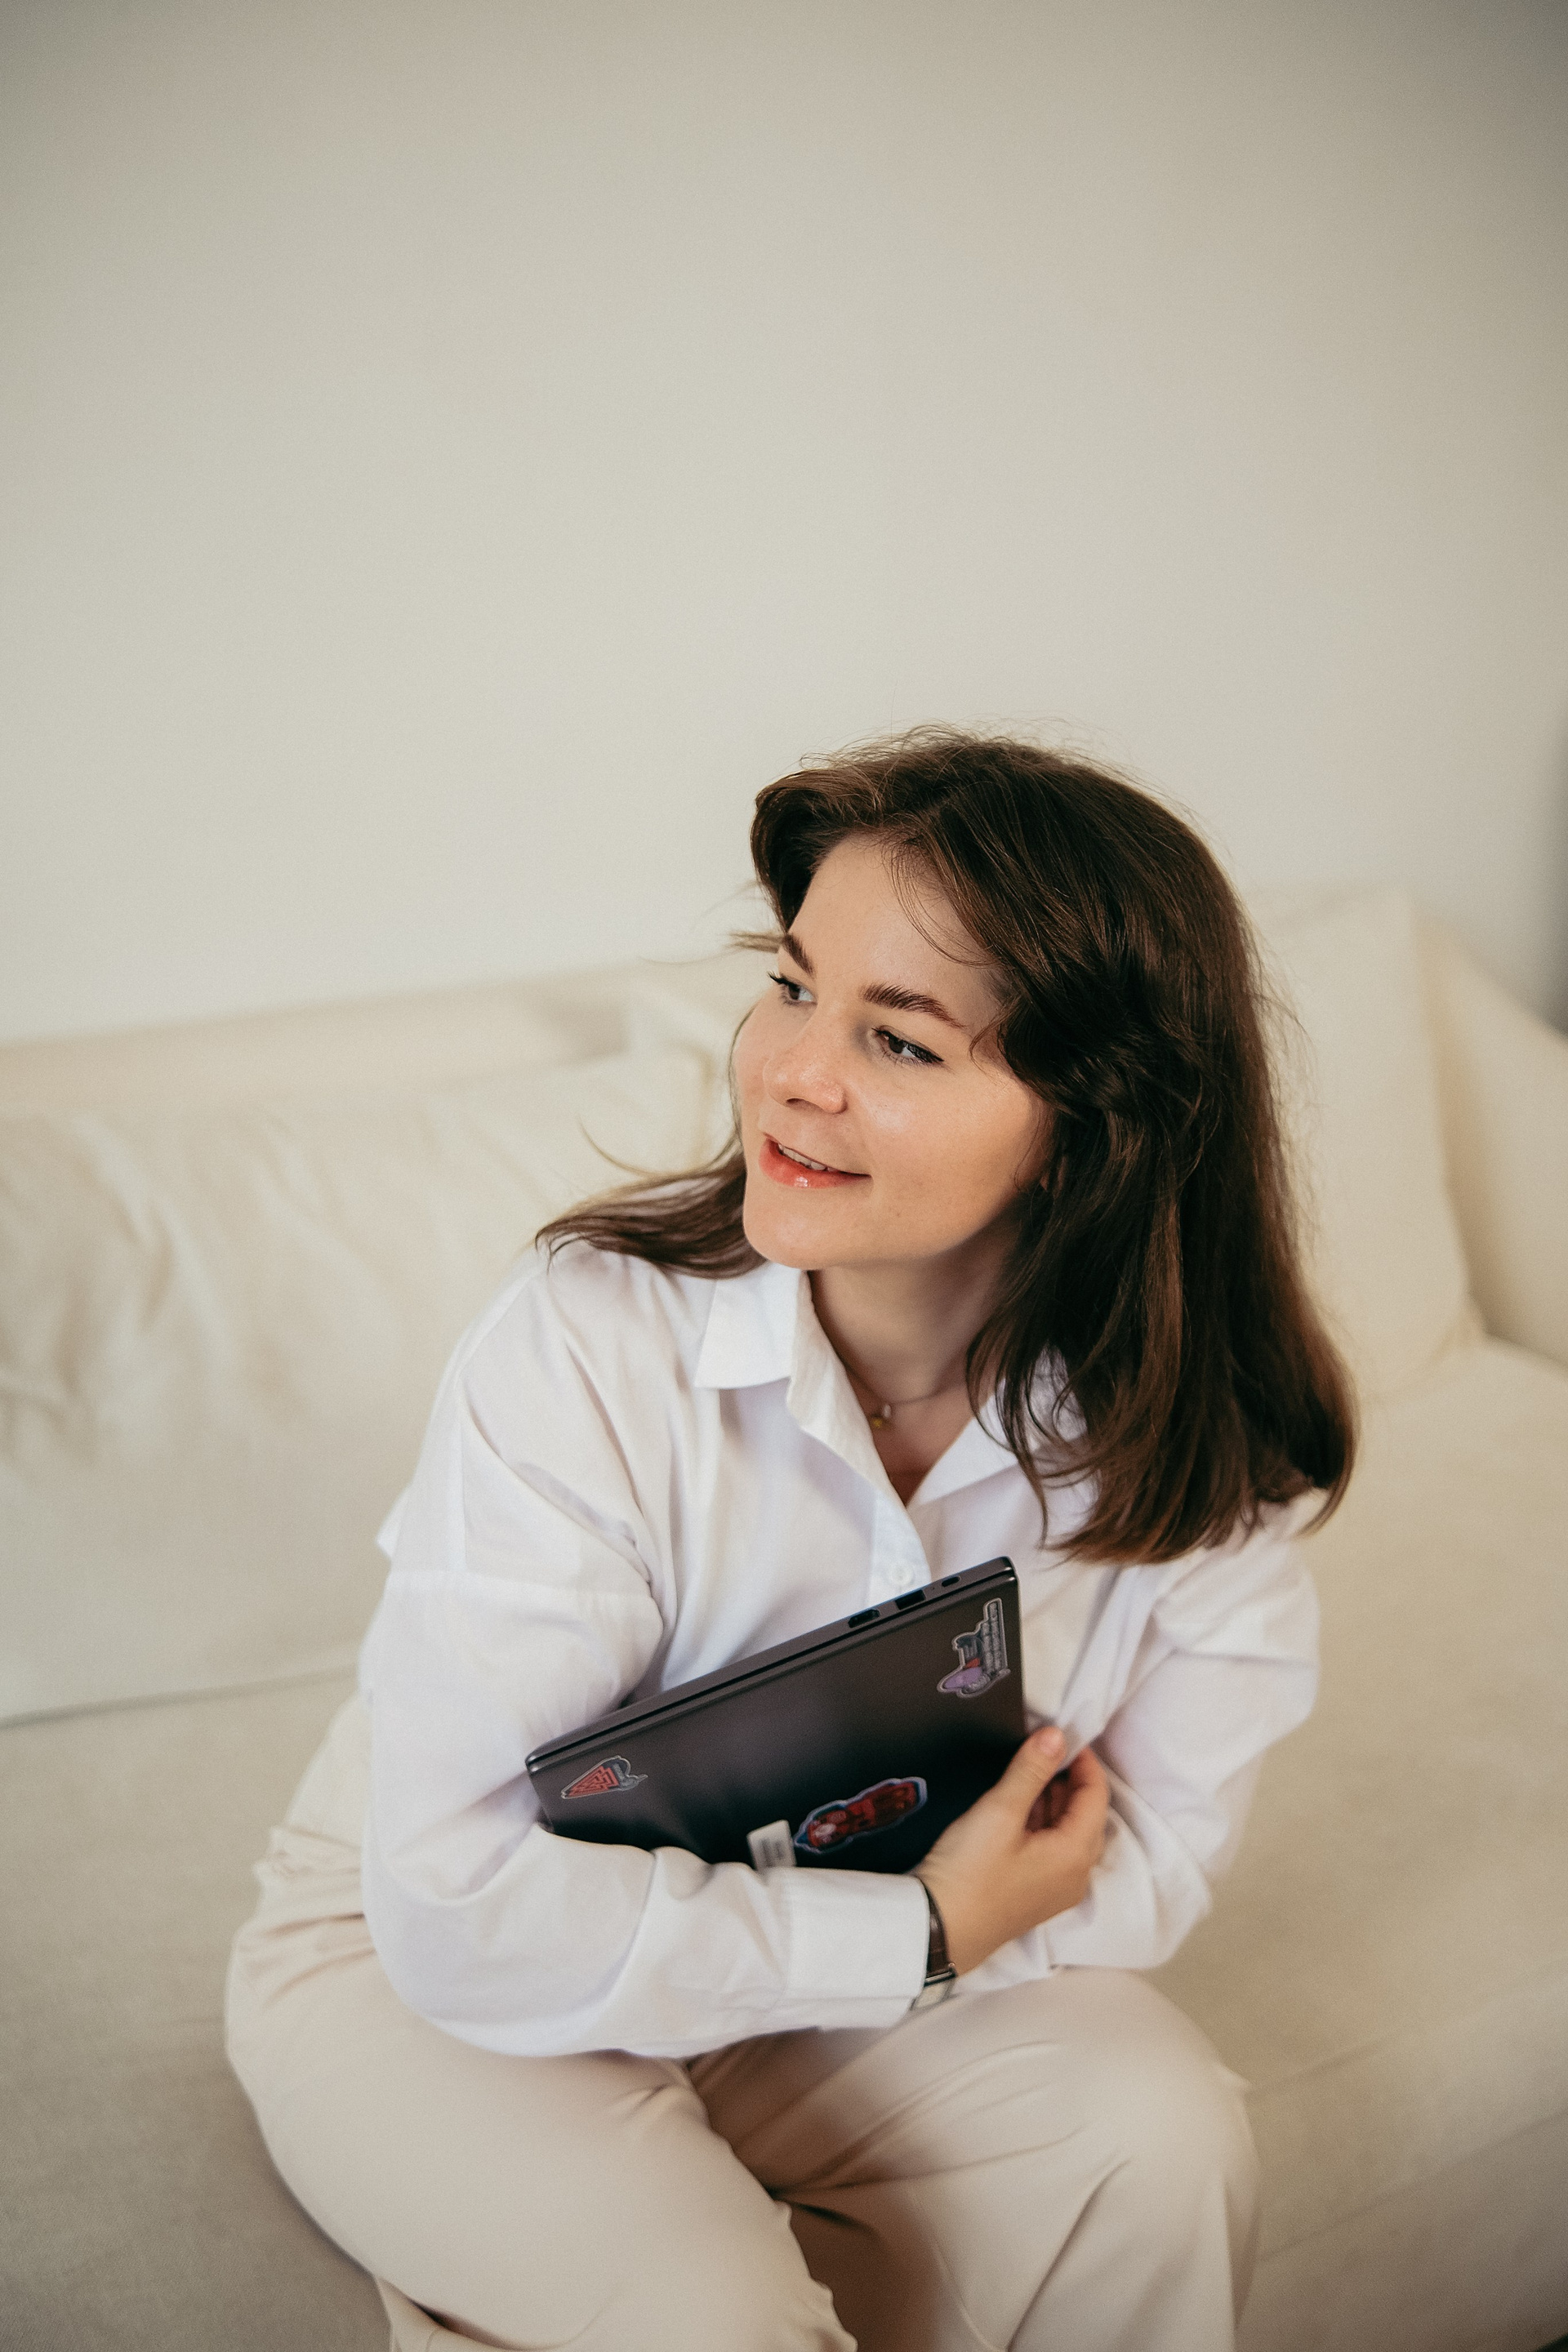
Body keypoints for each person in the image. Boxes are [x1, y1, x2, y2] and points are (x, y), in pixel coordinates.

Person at [226, 728, 1355, 2352]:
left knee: (1158, 2143)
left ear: (1093, 1128)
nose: (791, 1073)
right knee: (712, 2313)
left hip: (829, 1966)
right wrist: (919, 1927)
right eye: (793, 984)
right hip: (426, 1957)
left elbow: (1152, 1864)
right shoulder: (588, 1344)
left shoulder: (1193, 1443)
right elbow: (458, 1903)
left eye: (898, 1040)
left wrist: (889, 1940)